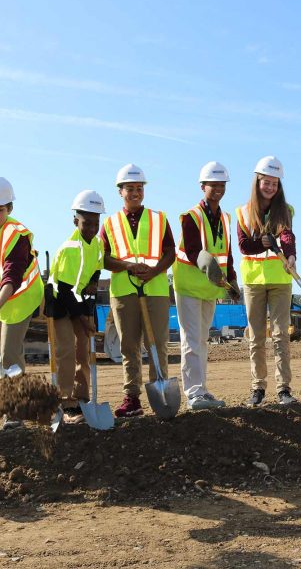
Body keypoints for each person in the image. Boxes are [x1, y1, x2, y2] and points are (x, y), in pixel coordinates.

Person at [101, 164, 176, 417]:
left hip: (155, 290)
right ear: (120, 191)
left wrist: (154, 272)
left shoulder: (159, 219)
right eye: (129, 188)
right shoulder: (110, 223)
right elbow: (103, 258)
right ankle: (131, 398)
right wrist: (127, 266)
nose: (135, 192)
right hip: (123, 291)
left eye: (139, 188)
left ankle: (160, 391)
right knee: (129, 346)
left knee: (157, 344)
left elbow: (170, 253)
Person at [0, 177, 45, 428]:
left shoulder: (18, 235)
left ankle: (16, 413)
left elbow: (13, 274)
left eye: (0, 209)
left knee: (9, 353)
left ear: (9, 209)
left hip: (21, 297)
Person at [174, 162, 240, 410]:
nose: (218, 188)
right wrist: (207, 263)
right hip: (190, 286)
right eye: (213, 184)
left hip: (211, 288)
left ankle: (202, 389)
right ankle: (193, 393)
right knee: (191, 340)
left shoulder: (224, 217)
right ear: (203, 186)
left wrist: (232, 279)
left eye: (222, 184)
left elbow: (228, 253)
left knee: (202, 340)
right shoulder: (191, 217)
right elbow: (192, 249)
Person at [236, 155, 297, 406]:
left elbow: (287, 236)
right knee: (256, 336)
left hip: (280, 279)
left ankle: (284, 388)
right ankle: (258, 387)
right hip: (252, 281)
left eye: (275, 183)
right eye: (266, 182)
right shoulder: (242, 212)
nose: (270, 187)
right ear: (257, 181)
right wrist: (260, 243)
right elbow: (243, 246)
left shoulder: (286, 210)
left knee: (281, 335)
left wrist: (290, 255)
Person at [46, 190, 105, 423]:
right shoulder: (71, 247)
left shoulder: (97, 243)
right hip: (61, 300)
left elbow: (98, 266)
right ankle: (65, 401)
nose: (92, 227)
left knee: (85, 350)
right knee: (67, 349)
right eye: (86, 223)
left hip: (80, 299)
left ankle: (82, 399)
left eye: (95, 223)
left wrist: (93, 282)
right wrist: (82, 319)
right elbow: (66, 289)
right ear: (75, 221)